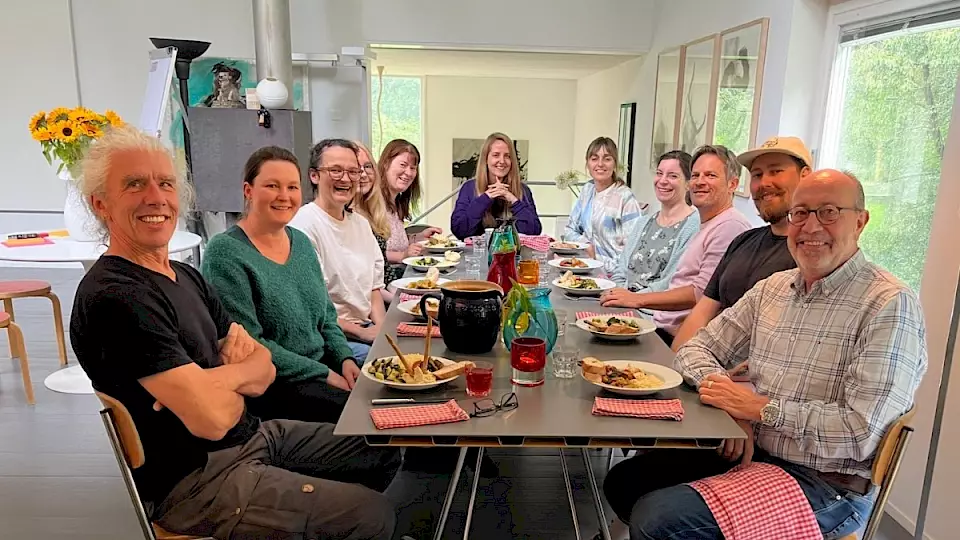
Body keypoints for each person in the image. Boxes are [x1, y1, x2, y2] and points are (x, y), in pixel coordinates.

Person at [70, 126, 401, 539]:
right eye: (135, 184)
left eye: (166, 183)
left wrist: (217, 381)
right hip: (197, 480)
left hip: (252, 435)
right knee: (372, 514)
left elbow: (260, 363)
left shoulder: (185, 276)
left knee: (382, 448)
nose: (156, 197)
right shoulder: (116, 297)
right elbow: (212, 419)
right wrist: (237, 378)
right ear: (100, 203)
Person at [602, 170, 928, 540]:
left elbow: (859, 433)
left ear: (861, 221)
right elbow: (695, 348)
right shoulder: (773, 288)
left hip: (827, 484)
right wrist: (731, 405)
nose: (811, 227)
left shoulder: (888, 304)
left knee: (659, 519)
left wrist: (759, 410)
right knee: (625, 482)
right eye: (800, 213)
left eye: (829, 212)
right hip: (756, 449)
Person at [201, 146, 361, 424]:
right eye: (272, 186)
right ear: (248, 190)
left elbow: (327, 318)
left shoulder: (300, 243)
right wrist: (323, 374)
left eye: (292, 187)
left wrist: (345, 359)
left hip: (321, 367)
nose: (284, 196)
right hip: (273, 385)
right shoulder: (225, 253)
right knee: (364, 420)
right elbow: (249, 343)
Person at [601, 145, 752, 345]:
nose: (700, 182)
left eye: (710, 175)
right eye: (696, 175)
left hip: (672, 335)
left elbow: (701, 295)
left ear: (732, 184)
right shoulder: (708, 222)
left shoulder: (729, 225)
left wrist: (636, 300)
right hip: (657, 322)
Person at [672, 136, 812, 351]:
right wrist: (671, 371)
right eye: (757, 174)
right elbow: (702, 312)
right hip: (707, 363)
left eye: (775, 171)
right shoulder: (744, 241)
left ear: (805, 177)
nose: (764, 183)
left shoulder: (813, 255)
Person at [289, 139, 386, 363]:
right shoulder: (302, 226)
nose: (345, 178)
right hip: (331, 338)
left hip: (366, 329)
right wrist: (364, 333)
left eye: (353, 171)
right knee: (388, 366)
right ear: (314, 176)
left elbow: (374, 289)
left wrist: (381, 328)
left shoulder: (361, 224)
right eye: (335, 170)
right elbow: (313, 308)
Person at [611, 150, 699, 293]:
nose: (662, 181)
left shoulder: (693, 227)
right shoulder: (643, 223)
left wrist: (632, 300)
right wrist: (619, 296)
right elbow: (620, 272)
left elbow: (670, 283)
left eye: (673, 176)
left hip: (652, 311)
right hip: (623, 303)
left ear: (689, 184)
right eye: (659, 173)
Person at [564, 136, 644, 273]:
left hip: (615, 275)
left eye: (607, 159)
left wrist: (600, 262)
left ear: (614, 164)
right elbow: (569, 230)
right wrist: (586, 245)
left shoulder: (625, 197)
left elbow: (634, 248)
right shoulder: (587, 190)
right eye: (594, 159)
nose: (600, 164)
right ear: (587, 163)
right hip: (585, 267)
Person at [450, 132, 542, 239]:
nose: (502, 161)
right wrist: (485, 199)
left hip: (514, 254)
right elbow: (460, 231)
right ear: (486, 159)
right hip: (478, 254)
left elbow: (534, 231)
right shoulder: (469, 188)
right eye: (496, 155)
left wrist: (513, 201)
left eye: (507, 156)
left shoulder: (523, 190)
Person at [379, 139, 442, 283]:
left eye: (413, 168)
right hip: (386, 281)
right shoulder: (374, 204)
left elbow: (395, 241)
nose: (408, 172)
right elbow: (372, 253)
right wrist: (402, 255)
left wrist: (420, 237)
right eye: (403, 165)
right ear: (385, 164)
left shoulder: (397, 202)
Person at [352, 139, 394, 303]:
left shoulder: (372, 210)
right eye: (356, 168)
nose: (363, 174)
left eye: (368, 166)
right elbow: (365, 282)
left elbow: (384, 270)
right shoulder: (347, 217)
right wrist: (398, 301)